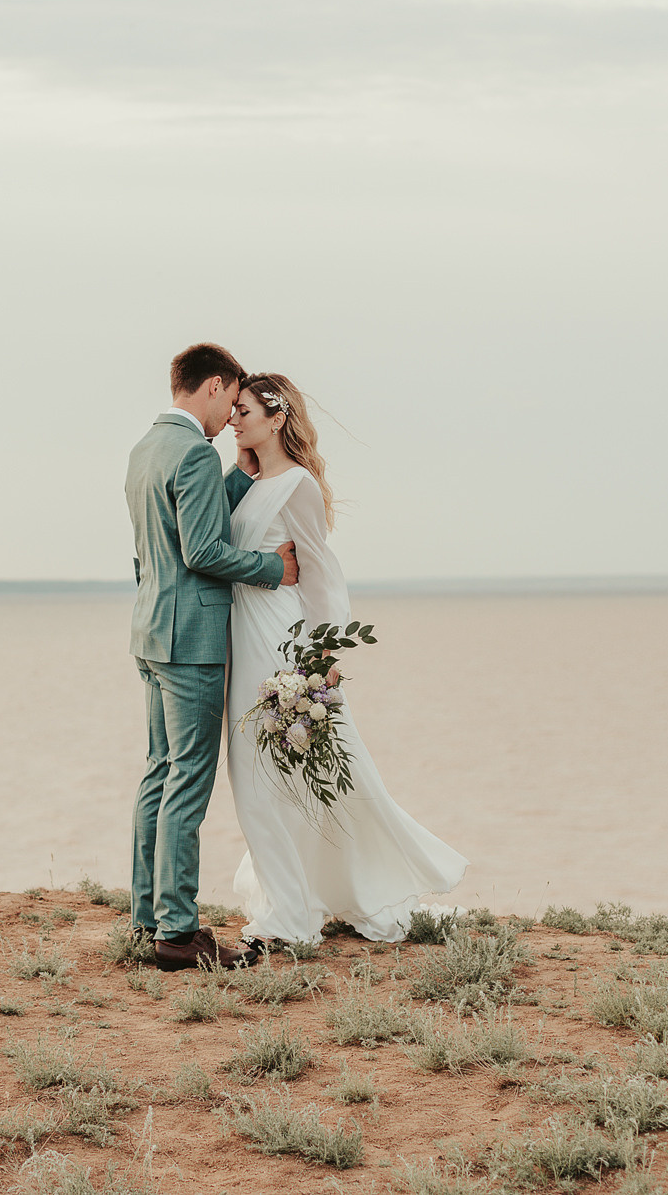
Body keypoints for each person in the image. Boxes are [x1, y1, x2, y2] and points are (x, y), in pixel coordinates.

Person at [223, 372, 467, 954]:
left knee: (292, 769)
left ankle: (294, 914)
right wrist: (239, 460)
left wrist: (320, 660)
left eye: (245, 410)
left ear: (277, 417)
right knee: (253, 778)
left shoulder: (298, 485)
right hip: (243, 636)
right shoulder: (248, 480)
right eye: (231, 409)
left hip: (280, 640)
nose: (234, 417)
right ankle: (293, 897)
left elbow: (323, 573)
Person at [124, 343, 298, 971]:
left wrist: (241, 476)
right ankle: (178, 931)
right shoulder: (194, 452)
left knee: (159, 773)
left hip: (149, 632)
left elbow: (167, 540)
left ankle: (149, 919)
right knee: (188, 783)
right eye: (231, 401)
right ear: (216, 386)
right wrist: (271, 570)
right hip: (190, 641)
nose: (232, 419)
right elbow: (201, 550)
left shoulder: (147, 449)